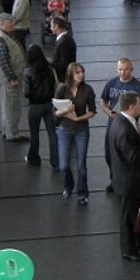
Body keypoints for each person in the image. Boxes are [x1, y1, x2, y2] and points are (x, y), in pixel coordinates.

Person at [109, 92, 140, 262]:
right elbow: (134, 157)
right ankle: (129, 250)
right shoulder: (124, 129)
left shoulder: (120, 123)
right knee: (128, 218)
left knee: (137, 213)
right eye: (139, 104)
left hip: (129, 179)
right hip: (129, 182)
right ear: (131, 107)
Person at [55, 62, 97, 205]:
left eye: (82, 72)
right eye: (77, 72)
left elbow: (92, 111)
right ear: (71, 74)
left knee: (81, 165)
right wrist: (66, 111)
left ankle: (82, 194)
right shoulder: (62, 89)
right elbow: (55, 111)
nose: (81, 75)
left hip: (81, 130)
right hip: (64, 129)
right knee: (63, 165)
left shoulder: (87, 90)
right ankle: (68, 185)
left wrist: (79, 118)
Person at [0, 14, 27, 142]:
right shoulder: (1, 39)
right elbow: (3, 61)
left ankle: (7, 130)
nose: (12, 25)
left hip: (9, 78)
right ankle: (13, 133)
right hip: (9, 79)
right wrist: (12, 78)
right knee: (12, 107)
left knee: (7, 105)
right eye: (10, 23)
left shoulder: (3, 35)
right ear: (2, 24)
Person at [24, 45, 59, 169]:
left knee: (34, 133)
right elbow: (55, 85)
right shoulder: (49, 69)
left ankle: (33, 157)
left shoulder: (28, 72)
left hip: (35, 106)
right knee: (52, 133)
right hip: (49, 104)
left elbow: (27, 92)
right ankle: (56, 161)